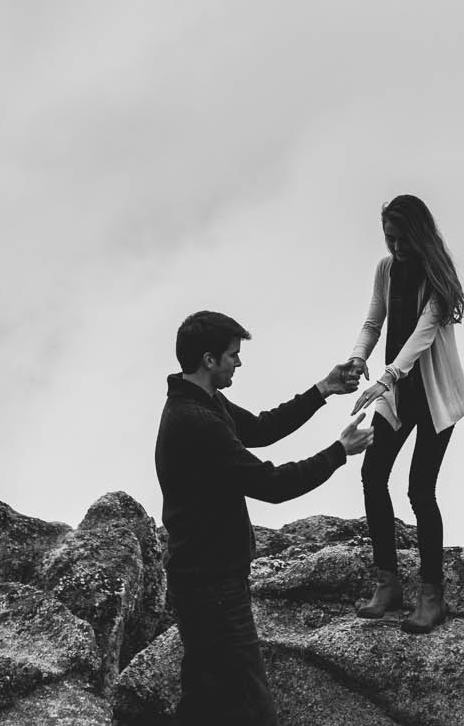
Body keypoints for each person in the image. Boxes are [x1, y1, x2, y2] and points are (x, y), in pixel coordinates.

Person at [156, 310, 374, 726]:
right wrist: (338, 453)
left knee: (204, 695)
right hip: (212, 584)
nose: (239, 363)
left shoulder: (200, 400)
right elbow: (272, 486)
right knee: (252, 706)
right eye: (233, 355)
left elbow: (259, 429)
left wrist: (323, 389)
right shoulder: (196, 421)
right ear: (209, 360)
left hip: (199, 578)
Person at [346, 193, 464, 634]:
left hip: (433, 394)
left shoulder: (437, 276)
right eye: (389, 239)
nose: (395, 248)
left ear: (418, 236)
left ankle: (431, 594)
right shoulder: (385, 270)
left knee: (420, 491)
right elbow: (373, 322)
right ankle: (388, 585)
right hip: (397, 393)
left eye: (402, 240)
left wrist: (385, 378)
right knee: (372, 475)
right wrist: (358, 358)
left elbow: (421, 337)